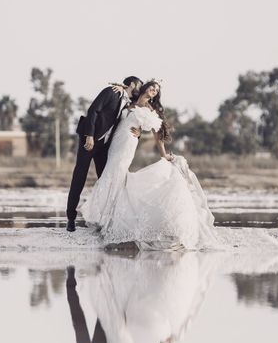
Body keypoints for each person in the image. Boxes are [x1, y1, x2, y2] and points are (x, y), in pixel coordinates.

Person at [81, 80, 221, 250]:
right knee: (110, 173)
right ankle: (103, 215)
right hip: (116, 142)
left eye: (156, 90)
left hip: (128, 144)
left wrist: (162, 153)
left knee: (116, 173)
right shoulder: (129, 101)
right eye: (152, 88)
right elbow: (124, 96)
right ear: (145, 88)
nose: (153, 91)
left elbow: (157, 133)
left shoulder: (150, 109)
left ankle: (107, 218)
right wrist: (120, 86)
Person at [66, 76, 143, 232]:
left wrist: (139, 131)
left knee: (106, 180)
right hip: (89, 140)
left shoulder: (130, 104)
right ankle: (71, 218)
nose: (140, 90)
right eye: (139, 86)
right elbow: (93, 110)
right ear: (132, 84)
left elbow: (128, 122)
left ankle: (104, 219)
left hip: (104, 145)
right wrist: (89, 135)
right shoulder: (111, 92)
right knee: (79, 176)